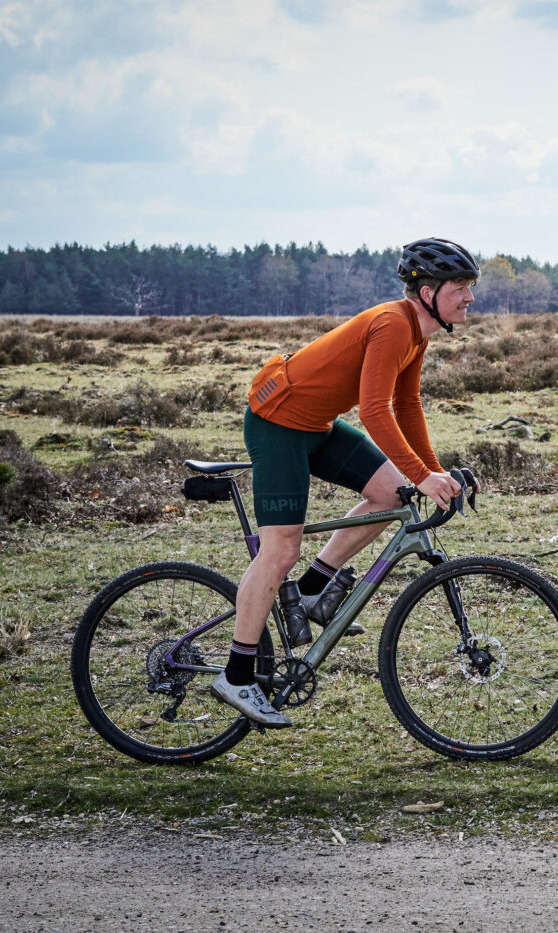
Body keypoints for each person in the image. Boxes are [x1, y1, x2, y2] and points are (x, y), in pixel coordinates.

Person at [209, 237, 479, 727]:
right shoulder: (393, 325)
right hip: (278, 425)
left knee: (387, 493)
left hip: (316, 425)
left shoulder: (417, 332)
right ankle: (237, 674)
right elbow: (374, 411)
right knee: (279, 551)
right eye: (459, 287)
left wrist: (431, 472)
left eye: (469, 287)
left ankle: (312, 591)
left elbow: (407, 407)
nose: (469, 297)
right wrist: (423, 476)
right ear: (426, 291)